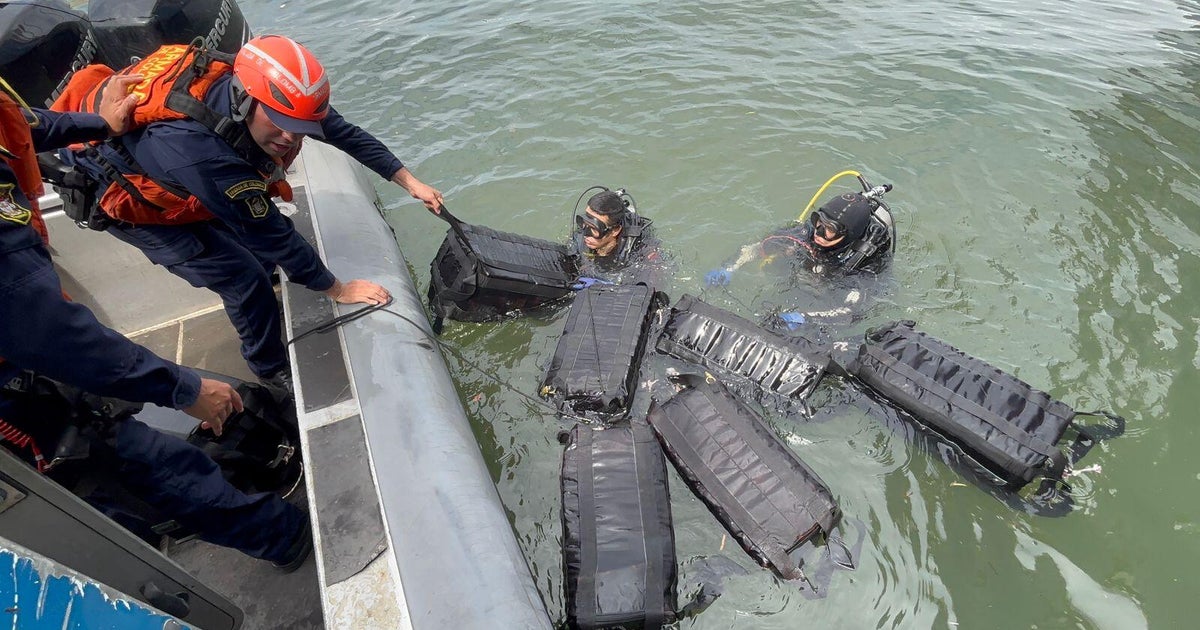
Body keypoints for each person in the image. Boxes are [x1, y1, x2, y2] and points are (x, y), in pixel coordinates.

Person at [0, 76, 311, 572]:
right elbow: (53, 335)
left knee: (102, 420)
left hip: (26, 322)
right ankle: (285, 538)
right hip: (16, 372)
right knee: (131, 459)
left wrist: (101, 123)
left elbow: (25, 123)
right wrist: (184, 388)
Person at [57, 35, 445, 399]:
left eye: (300, 129)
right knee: (244, 277)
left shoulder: (281, 102)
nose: (290, 139)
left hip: (179, 178)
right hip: (129, 199)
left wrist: (409, 182)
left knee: (252, 247)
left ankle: (263, 309)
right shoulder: (198, 149)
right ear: (244, 99)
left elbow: (345, 133)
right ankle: (269, 367)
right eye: (279, 125)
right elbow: (270, 232)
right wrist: (336, 289)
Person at [704, 190, 895, 330]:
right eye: (818, 220)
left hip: (826, 301)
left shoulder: (865, 265)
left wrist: (804, 319)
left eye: (830, 228)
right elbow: (756, 248)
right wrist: (728, 268)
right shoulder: (806, 234)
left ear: (848, 234)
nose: (819, 231)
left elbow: (851, 312)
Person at [571, 188, 667, 289]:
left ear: (615, 230)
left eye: (594, 228)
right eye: (584, 221)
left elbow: (654, 279)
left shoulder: (641, 247)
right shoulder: (580, 235)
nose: (585, 233)